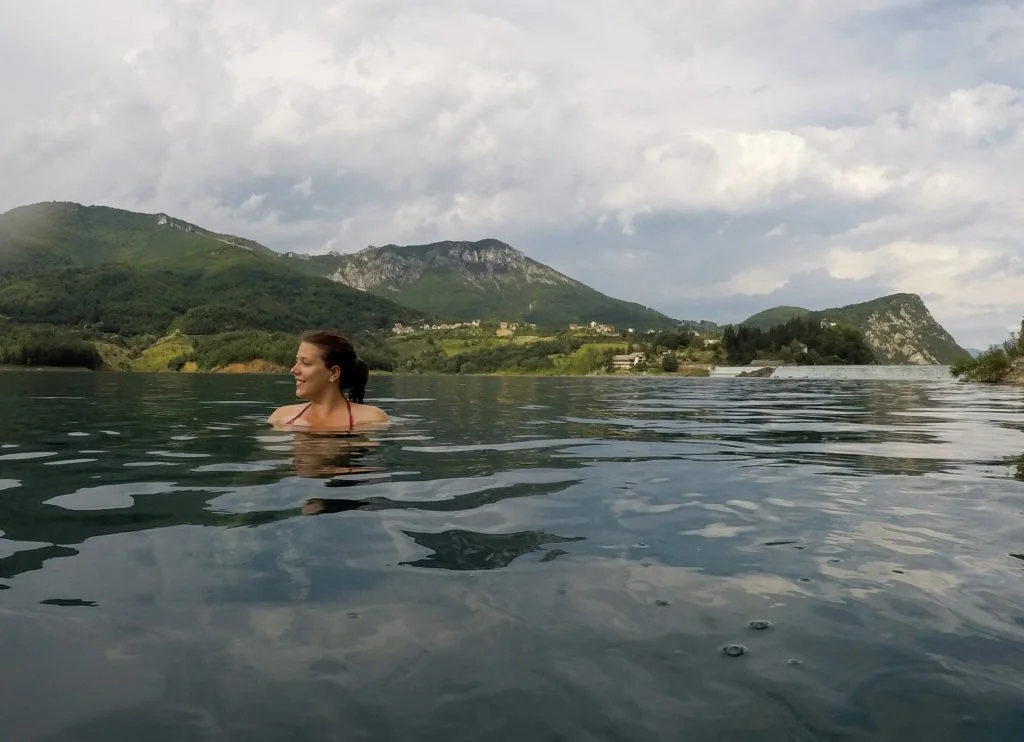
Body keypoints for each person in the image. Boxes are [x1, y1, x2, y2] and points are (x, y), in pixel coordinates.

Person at [268, 330, 390, 431]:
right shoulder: (280, 417)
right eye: (297, 361)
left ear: (333, 373)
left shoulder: (371, 420)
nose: (294, 370)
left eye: (305, 363)